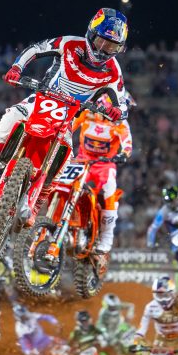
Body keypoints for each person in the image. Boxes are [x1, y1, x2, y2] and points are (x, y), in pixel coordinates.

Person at [0, 8, 130, 221]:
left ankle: (37, 203)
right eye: (101, 42)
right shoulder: (70, 43)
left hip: (69, 115)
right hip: (42, 98)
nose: (104, 50)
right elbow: (37, 49)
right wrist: (17, 68)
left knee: (65, 159)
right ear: (91, 34)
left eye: (111, 46)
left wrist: (117, 111)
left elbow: (122, 103)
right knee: (10, 117)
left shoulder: (114, 70)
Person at [68, 94, 133, 273]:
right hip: (82, 160)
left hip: (105, 165)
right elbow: (69, 126)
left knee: (109, 192)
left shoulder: (119, 122)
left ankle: (106, 241)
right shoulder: (87, 112)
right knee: (63, 183)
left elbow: (127, 141)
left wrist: (124, 153)